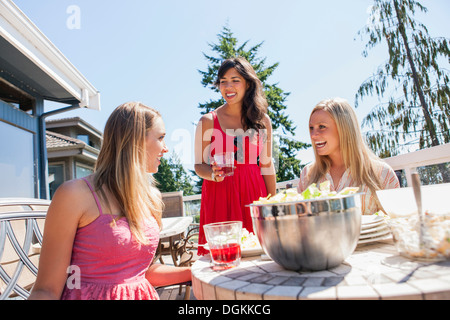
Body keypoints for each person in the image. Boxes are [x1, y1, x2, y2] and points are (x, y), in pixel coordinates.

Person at [28, 102, 191, 300]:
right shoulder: (74, 194)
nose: (165, 148)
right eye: (161, 137)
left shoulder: (151, 198)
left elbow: (140, 273)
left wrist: (196, 272)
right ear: (135, 141)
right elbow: (46, 289)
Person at [194, 57, 277, 255]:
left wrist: (272, 202)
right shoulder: (208, 121)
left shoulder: (262, 120)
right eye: (223, 81)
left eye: (235, 80)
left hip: (253, 193)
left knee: (258, 255)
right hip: (219, 194)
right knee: (222, 257)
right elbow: (199, 165)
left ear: (248, 83)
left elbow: (266, 164)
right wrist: (213, 174)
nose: (228, 86)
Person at [298, 98, 400, 215]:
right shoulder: (307, 174)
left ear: (344, 128)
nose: (313, 135)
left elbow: (397, 223)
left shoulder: (383, 174)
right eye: (311, 128)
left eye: (322, 127)